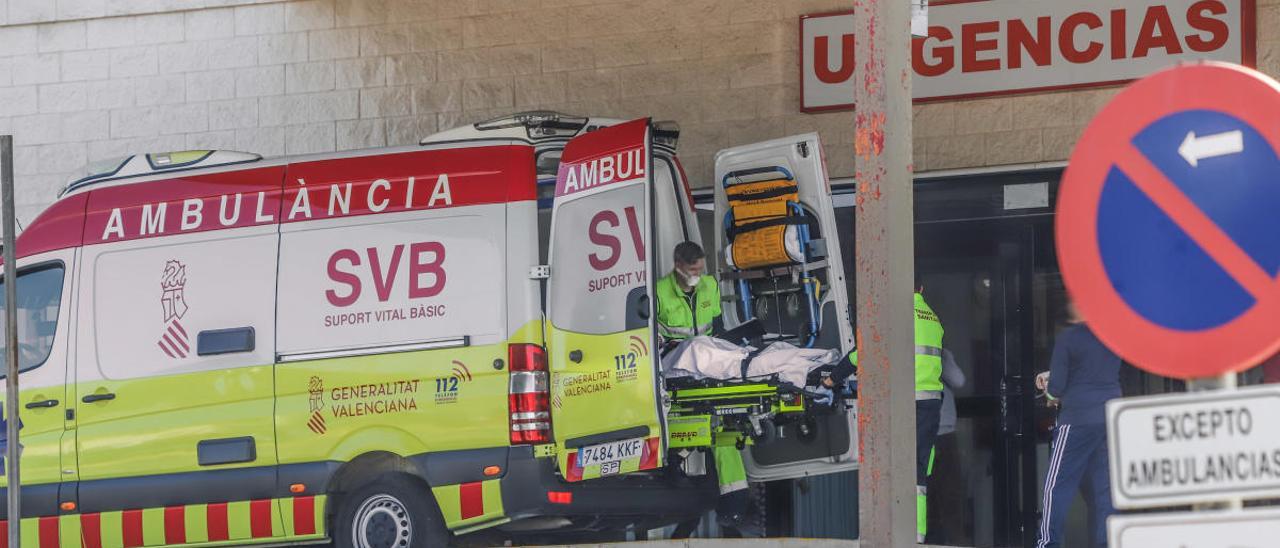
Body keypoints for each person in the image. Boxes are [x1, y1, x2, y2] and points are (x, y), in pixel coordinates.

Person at [824, 285, 945, 543]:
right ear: (922, 289)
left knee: (887, 466)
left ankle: (887, 531)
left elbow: (864, 353)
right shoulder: (932, 317)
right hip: (930, 403)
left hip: (903, 401)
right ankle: (916, 536)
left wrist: (833, 379)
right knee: (918, 470)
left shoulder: (896, 314)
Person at [655, 241, 757, 538]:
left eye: (701, 269)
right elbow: (653, 338)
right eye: (693, 270)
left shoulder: (709, 286)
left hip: (708, 362)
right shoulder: (660, 293)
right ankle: (691, 481)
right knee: (706, 428)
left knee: (723, 428)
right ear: (678, 268)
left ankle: (732, 505)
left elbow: (715, 328)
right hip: (676, 361)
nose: (699, 274)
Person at [1034, 301, 1120, 548]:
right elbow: (1091, 370)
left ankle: (1047, 543)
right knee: (1105, 488)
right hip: (1109, 416)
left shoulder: (1068, 338)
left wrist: (1047, 388)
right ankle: (1109, 542)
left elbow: (1056, 390)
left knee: (1056, 486)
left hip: (1077, 420)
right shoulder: (1111, 336)